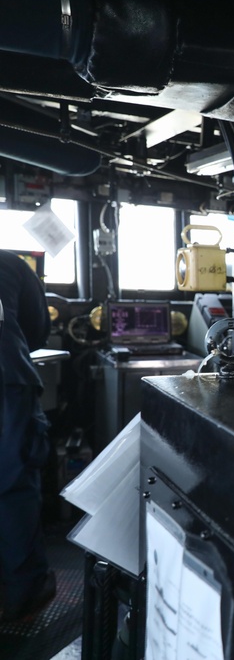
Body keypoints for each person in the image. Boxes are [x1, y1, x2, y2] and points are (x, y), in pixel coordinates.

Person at [0, 249, 56, 622]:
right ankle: (24, 594)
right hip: (7, 382)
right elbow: (37, 330)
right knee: (14, 483)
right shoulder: (9, 263)